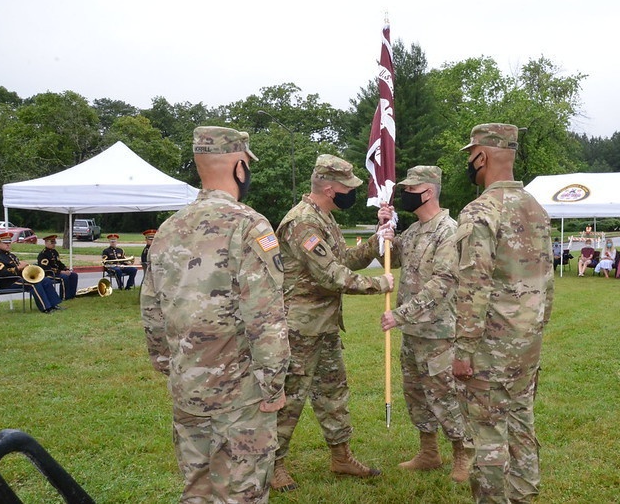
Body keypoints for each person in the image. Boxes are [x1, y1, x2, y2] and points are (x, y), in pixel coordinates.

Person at [140, 126, 290, 503]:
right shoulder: (248, 225)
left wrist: (166, 361)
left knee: (197, 489)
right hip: (240, 394)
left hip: (188, 385)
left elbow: (151, 307)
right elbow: (265, 315)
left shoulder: (169, 228)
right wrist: (273, 384)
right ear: (241, 167)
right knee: (242, 492)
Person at [272, 154, 395, 492]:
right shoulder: (303, 223)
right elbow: (330, 276)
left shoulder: (324, 217)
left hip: (324, 326)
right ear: (329, 188)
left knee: (333, 393)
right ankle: (273, 464)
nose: (352, 192)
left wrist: (376, 240)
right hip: (300, 328)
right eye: (347, 187)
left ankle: (341, 456)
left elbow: (344, 259)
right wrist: (378, 284)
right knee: (290, 398)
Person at [453, 123, 554, 503]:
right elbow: (547, 280)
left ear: (481, 155)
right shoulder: (537, 208)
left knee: (489, 434)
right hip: (527, 342)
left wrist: (463, 350)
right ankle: (524, 497)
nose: (470, 163)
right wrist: (537, 329)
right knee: (522, 424)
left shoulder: (481, 211)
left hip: (490, 349)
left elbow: (473, 286)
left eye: (470, 156)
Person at [376, 166, 470, 483]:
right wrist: (386, 232)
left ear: (427, 191)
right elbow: (393, 257)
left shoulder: (448, 231)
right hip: (414, 334)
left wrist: (400, 314)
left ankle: (462, 453)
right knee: (416, 395)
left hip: (438, 333)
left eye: (410, 189)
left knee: (445, 396)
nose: (405, 194)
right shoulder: (416, 231)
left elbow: (443, 283)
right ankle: (429, 452)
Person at [0, 232, 63, 313]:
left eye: (9, 243)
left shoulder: (11, 256)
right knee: (34, 284)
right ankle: (46, 308)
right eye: (5, 243)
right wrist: (18, 268)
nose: (8, 245)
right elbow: (2, 273)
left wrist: (25, 267)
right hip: (8, 282)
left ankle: (54, 304)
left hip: (19, 279)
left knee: (45, 280)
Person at [37, 234, 79, 299]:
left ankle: (72, 295)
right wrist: (61, 272)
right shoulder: (43, 254)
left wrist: (66, 269)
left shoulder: (54, 252)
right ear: (46, 243)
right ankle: (64, 297)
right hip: (49, 274)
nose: (54, 244)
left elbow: (59, 263)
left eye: (54, 242)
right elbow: (46, 268)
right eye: (52, 242)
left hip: (58, 272)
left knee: (73, 275)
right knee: (64, 277)